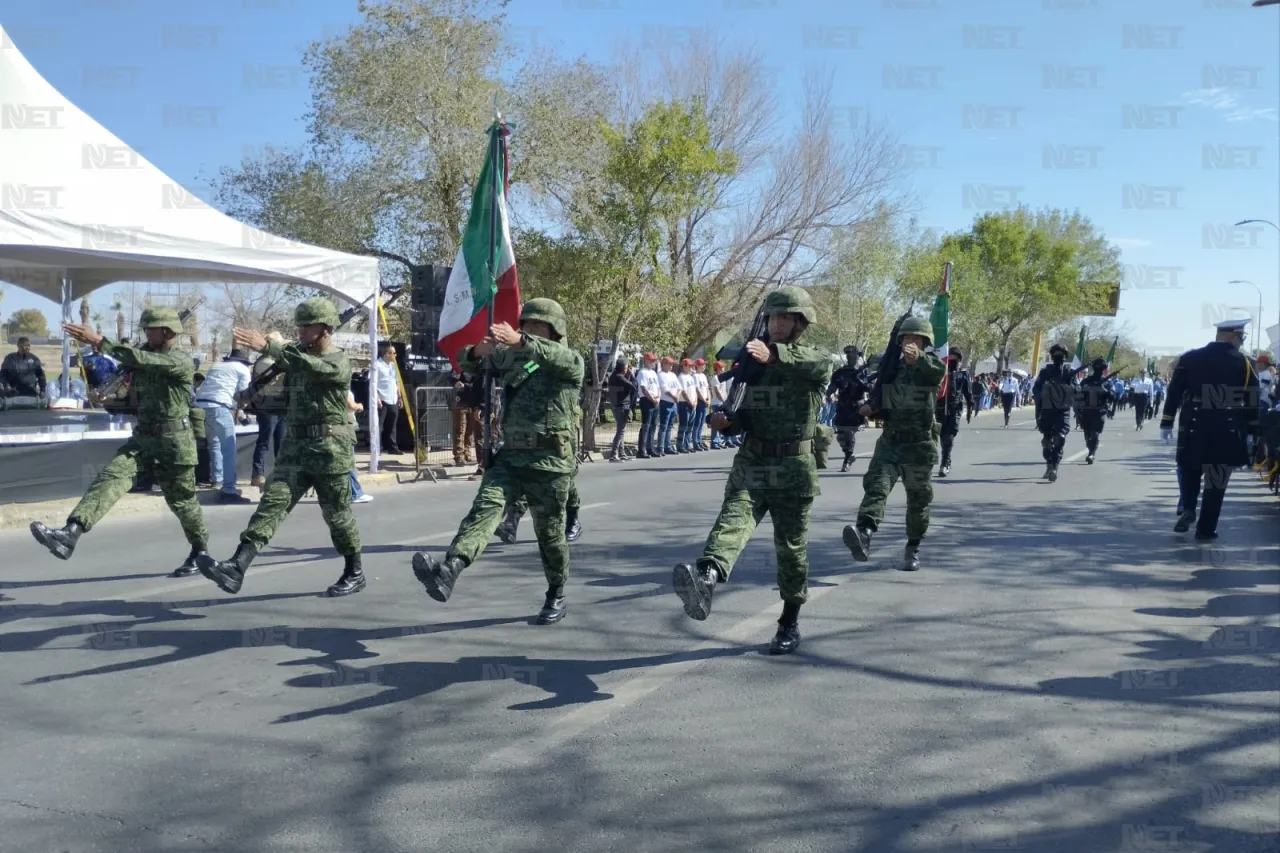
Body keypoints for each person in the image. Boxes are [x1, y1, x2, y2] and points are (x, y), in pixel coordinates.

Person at [670, 287, 831, 655]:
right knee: (733, 520)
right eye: (773, 317)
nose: (776, 324)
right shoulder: (751, 364)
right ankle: (706, 579)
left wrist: (774, 354)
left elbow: (820, 365)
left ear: (800, 324)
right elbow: (740, 413)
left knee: (791, 550)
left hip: (793, 467)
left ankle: (789, 623)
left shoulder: (810, 361)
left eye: (785, 318)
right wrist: (725, 421)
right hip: (754, 460)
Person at [411, 298, 584, 624]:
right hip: (511, 458)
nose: (529, 329)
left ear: (555, 329)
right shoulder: (514, 357)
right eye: (526, 324)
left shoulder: (569, 361)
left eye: (537, 325)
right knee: (485, 510)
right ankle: (451, 568)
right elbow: (468, 364)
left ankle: (556, 593)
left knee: (549, 536)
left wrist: (521, 341)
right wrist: (479, 351)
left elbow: (555, 356)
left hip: (550, 463)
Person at [196, 297, 366, 598]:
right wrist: (254, 393)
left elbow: (314, 367)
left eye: (306, 326)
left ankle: (354, 571)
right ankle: (237, 566)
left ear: (325, 329)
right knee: (271, 505)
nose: (299, 331)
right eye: (298, 326)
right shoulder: (296, 355)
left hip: (331, 450)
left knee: (337, 515)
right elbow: (282, 380)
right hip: (295, 447)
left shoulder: (338, 360)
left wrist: (269, 347)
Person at [30, 308, 210, 576]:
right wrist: (107, 399)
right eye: (146, 329)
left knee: (182, 502)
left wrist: (99, 342)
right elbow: (130, 400)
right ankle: (71, 533)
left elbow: (143, 359)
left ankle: (200, 550)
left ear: (168, 332)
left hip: (175, 442)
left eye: (153, 329)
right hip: (144, 438)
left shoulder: (180, 361)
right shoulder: (141, 362)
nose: (147, 333)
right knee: (111, 477)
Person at [842, 317, 945, 572]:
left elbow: (938, 373)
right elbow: (883, 401)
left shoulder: (930, 366)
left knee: (918, 502)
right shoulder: (891, 370)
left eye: (916, 339)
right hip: (890, 443)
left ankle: (913, 547)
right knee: (876, 488)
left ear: (925, 343)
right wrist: (871, 408)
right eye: (906, 339)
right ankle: (864, 533)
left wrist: (918, 358)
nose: (910, 343)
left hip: (919, 447)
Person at [1161, 318, 1260, 540]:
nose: (1241, 342)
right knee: (1217, 481)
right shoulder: (1244, 363)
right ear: (1232, 336)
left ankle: (1188, 507)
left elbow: (1174, 392)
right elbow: (1252, 399)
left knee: (1188, 468)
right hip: (1227, 425)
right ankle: (1206, 529)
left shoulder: (1189, 357)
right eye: (1241, 337)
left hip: (1194, 423)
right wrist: (1253, 430)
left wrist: (1166, 422)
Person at [194, 348, 254, 503]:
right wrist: (243, 408)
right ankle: (228, 490)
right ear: (244, 362)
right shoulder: (242, 369)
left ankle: (217, 479)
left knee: (214, 444)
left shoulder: (216, 365)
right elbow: (243, 394)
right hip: (219, 407)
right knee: (229, 448)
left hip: (199, 405)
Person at [247, 332, 288, 489]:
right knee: (265, 440)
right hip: (268, 407)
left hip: (279, 406)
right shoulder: (265, 362)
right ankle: (258, 474)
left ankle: (280, 474)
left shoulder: (273, 360)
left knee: (280, 441)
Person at [1033, 344, 1076, 482]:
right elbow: (1036, 389)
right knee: (1047, 442)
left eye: (1062, 354)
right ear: (1052, 356)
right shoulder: (1045, 372)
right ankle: (1049, 464)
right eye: (1057, 354)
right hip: (1047, 410)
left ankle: (1054, 467)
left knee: (1060, 437)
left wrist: (1068, 387)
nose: (1059, 357)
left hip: (1062, 410)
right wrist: (1044, 394)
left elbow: (1077, 389)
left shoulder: (1069, 373)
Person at [827, 345, 871, 472]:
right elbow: (833, 386)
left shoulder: (864, 372)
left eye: (852, 354)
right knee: (840, 436)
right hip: (842, 406)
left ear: (858, 356)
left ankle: (847, 459)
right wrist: (828, 394)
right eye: (847, 355)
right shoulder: (840, 372)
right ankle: (849, 454)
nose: (849, 357)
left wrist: (860, 380)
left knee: (849, 434)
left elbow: (870, 387)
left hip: (856, 408)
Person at [935, 348, 973, 478]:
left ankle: (944, 463)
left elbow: (968, 393)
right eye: (950, 355)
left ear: (958, 359)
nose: (952, 358)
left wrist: (970, 410)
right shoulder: (941, 372)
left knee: (949, 436)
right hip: (939, 408)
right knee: (942, 435)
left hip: (955, 409)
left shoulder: (962, 375)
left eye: (954, 356)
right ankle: (947, 459)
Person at [1074, 358, 1116, 464]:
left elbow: (1113, 397)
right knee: (1087, 434)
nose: (1099, 370)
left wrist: (1103, 389)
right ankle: (1090, 449)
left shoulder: (1107, 382)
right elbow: (1078, 396)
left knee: (1095, 433)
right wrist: (1077, 410)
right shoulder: (1086, 381)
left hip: (1099, 411)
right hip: (1086, 411)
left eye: (1101, 368)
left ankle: (1092, 453)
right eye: (1097, 367)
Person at [373, 342, 403, 455]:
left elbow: (397, 382)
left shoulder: (393, 366)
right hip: (382, 398)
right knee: (379, 425)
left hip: (393, 398)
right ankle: (377, 447)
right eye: (393, 353)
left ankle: (392, 447)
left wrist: (399, 397)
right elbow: (373, 383)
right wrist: (376, 398)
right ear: (387, 354)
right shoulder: (377, 365)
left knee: (392, 425)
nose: (395, 355)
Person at [346, 389, 374, 503]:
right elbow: (350, 405)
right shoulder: (340, 387)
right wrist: (359, 406)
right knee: (349, 463)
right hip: (344, 428)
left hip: (340, 427)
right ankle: (355, 493)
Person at [607, 358, 636, 461]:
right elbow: (633, 386)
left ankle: (621, 453)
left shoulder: (614, 377)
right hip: (622, 406)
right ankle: (613, 454)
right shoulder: (619, 377)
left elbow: (625, 386)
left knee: (621, 431)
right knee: (620, 431)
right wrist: (631, 374)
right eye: (626, 367)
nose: (627, 369)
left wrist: (628, 375)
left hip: (616, 405)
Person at [635, 352, 662, 459]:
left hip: (656, 401)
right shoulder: (642, 372)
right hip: (646, 401)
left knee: (653, 426)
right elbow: (644, 389)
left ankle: (650, 448)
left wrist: (658, 398)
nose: (653, 362)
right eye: (651, 360)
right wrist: (652, 399)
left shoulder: (654, 373)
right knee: (646, 426)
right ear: (646, 361)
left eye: (654, 360)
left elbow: (658, 387)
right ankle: (642, 450)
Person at [657, 357, 682, 455]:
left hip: (673, 403)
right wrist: (674, 396)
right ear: (664, 364)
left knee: (670, 426)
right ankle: (661, 447)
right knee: (664, 425)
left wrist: (677, 396)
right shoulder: (661, 375)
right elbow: (665, 389)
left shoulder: (673, 375)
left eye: (672, 364)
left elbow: (679, 387)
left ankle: (668, 446)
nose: (671, 366)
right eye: (669, 364)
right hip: (665, 402)